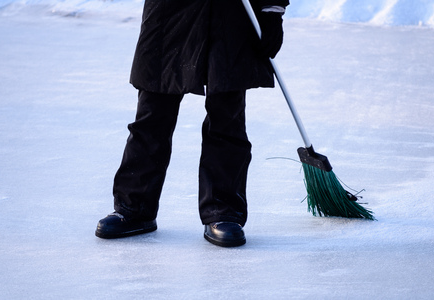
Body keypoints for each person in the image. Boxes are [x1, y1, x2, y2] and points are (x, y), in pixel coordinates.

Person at [95, 0, 289, 247]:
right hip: (170, 11)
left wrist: (272, 10)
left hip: (230, 13)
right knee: (152, 112)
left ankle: (223, 212)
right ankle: (134, 208)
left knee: (227, 116)